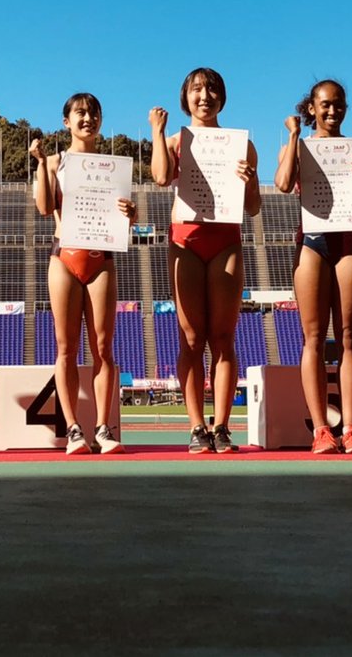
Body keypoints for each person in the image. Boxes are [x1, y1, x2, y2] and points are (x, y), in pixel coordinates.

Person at [149, 68, 261, 453]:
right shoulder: (178, 139)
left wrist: (248, 182)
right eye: (197, 89)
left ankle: (223, 425)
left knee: (224, 338)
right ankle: (197, 425)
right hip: (186, 240)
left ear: (222, 97)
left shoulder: (241, 144)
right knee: (192, 339)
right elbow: (161, 177)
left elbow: (255, 207)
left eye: (212, 88)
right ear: (186, 97)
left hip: (225, 239)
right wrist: (158, 132)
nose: (205, 96)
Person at [30, 93, 135, 455]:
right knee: (66, 348)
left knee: (104, 348)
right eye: (80, 112)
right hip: (64, 257)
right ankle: (73, 428)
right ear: (66, 121)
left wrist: (131, 213)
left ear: (101, 120)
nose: (87, 118)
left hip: (101, 258)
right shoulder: (54, 162)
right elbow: (44, 208)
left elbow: (125, 218)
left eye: (93, 113)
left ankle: (104, 428)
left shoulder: (112, 168)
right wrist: (42, 165)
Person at [275, 80, 352, 454]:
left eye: (338, 105)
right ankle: (320, 429)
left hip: (349, 242)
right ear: (311, 108)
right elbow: (284, 184)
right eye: (325, 105)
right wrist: (292, 137)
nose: (332, 111)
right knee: (313, 339)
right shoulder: (300, 145)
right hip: (313, 243)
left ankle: (350, 428)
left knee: (350, 337)